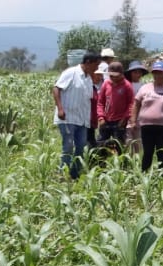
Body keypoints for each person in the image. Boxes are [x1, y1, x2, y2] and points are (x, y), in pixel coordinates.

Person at [52, 51, 100, 179]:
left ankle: (74, 174)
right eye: (96, 65)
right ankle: (63, 174)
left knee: (81, 148)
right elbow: (56, 89)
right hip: (68, 118)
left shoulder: (88, 79)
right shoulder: (71, 73)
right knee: (68, 146)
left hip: (82, 120)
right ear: (88, 63)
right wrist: (60, 109)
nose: (97, 68)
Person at [94, 61, 135, 155]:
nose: (113, 78)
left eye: (116, 76)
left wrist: (124, 119)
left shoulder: (127, 86)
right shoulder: (106, 84)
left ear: (121, 74)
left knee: (119, 145)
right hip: (105, 120)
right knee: (101, 144)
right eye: (111, 75)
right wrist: (100, 117)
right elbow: (100, 102)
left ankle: (122, 166)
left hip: (119, 121)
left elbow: (130, 105)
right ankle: (101, 165)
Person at [124, 61, 148, 154]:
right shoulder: (126, 85)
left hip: (140, 118)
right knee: (127, 143)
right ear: (130, 73)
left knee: (138, 144)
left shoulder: (144, 87)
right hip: (127, 118)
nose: (137, 74)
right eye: (135, 72)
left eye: (139, 72)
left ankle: (137, 164)